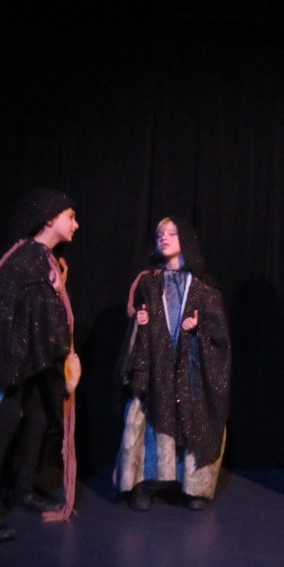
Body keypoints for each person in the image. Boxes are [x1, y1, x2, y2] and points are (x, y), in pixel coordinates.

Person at [0, 188, 81, 541]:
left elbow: (42, 311)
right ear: (50, 219)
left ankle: (22, 490)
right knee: (6, 421)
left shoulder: (46, 260)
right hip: (14, 361)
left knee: (37, 418)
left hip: (34, 361)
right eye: (71, 217)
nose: (76, 224)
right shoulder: (26, 257)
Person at [113, 217, 231, 511]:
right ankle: (141, 483)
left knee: (195, 416)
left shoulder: (204, 287)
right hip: (156, 364)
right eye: (159, 235)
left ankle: (194, 487)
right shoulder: (148, 282)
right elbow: (139, 314)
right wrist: (140, 321)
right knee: (147, 418)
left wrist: (199, 328)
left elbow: (220, 334)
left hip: (191, 368)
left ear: (186, 240)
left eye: (172, 233)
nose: (164, 238)